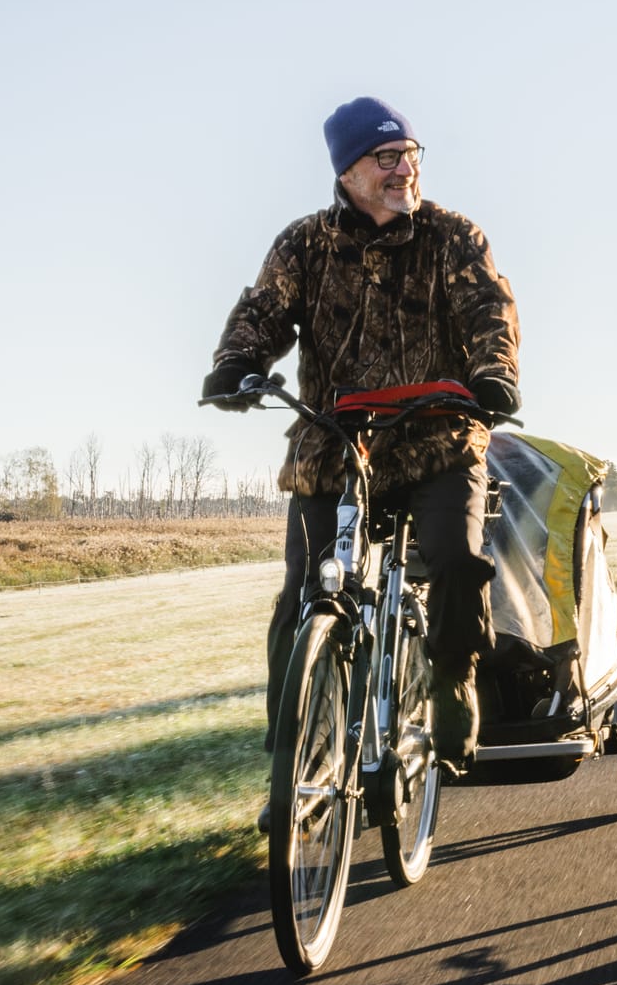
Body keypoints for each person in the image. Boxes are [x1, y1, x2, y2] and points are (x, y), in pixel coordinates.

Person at [202, 95, 521, 781]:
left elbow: (488, 309)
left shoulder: (452, 236)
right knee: (302, 601)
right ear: (348, 172)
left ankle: (451, 683)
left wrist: (493, 373)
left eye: (410, 154)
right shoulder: (305, 244)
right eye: (386, 158)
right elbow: (264, 311)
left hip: (439, 438)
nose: (404, 169)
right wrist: (238, 363)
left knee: (458, 565)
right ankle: (296, 766)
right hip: (337, 448)